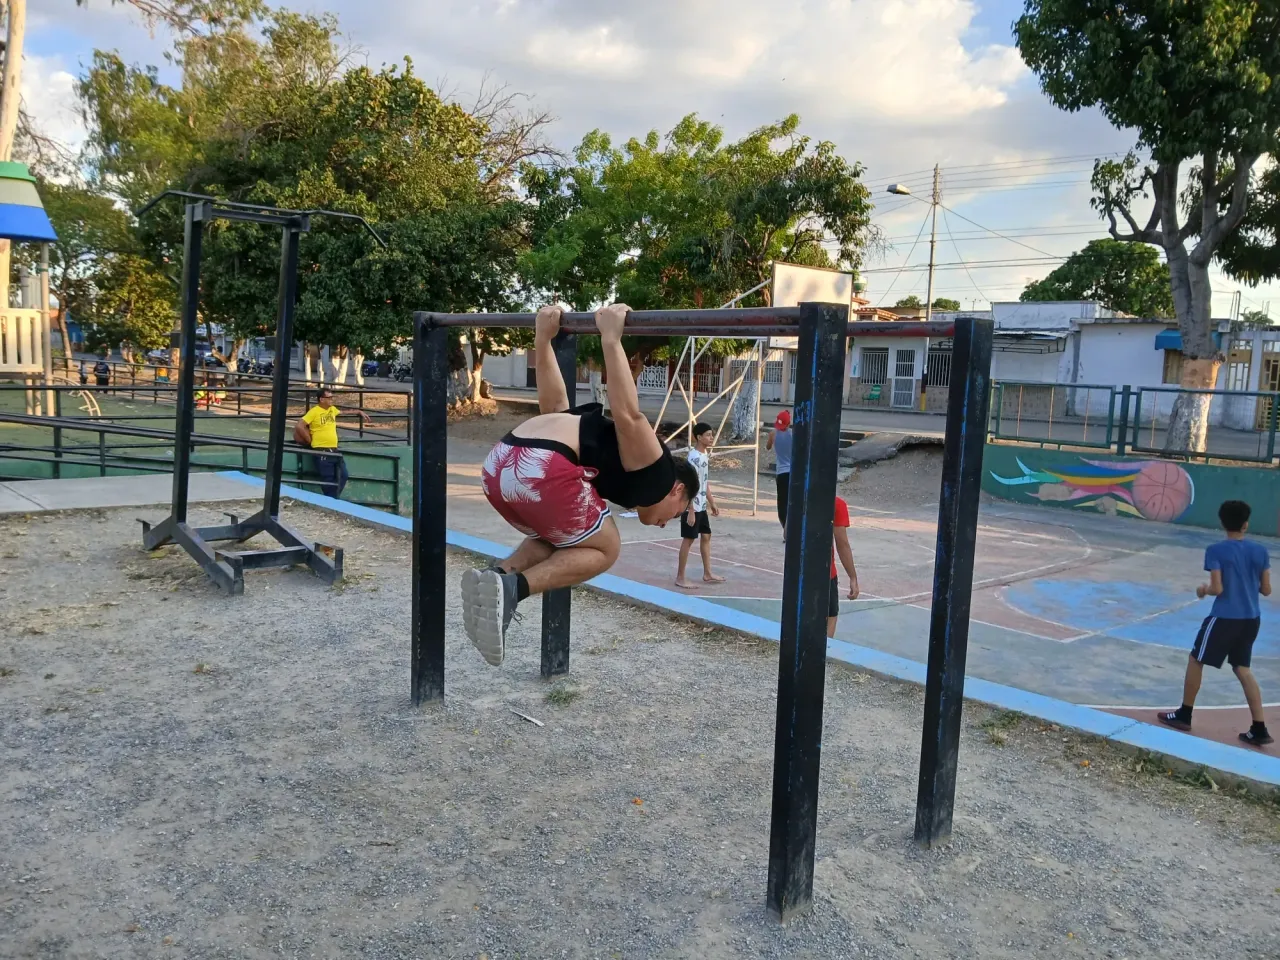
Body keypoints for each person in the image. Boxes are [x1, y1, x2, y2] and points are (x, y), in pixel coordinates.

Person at [464, 303, 699, 666]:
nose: (668, 521)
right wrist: (611, 338)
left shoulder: (604, 450)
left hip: (499, 466)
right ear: (678, 491)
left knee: (566, 537)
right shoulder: (659, 474)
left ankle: (499, 576)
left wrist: (542, 340)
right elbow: (628, 414)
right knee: (606, 548)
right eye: (678, 514)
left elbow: (555, 406)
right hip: (541, 469)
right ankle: (514, 590)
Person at [1158, 500, 1272, 747]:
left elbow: (1218, 588)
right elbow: (1266, 589)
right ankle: (1259, 728)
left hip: (1225, 617)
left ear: (1222, 523)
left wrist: (1203, 589)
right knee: (1242, 668)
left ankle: (1184, 714)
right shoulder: (1260, 552)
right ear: (1246, 524)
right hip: (1251, 619)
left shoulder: (1216, 550)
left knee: (1196, 659)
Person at [293, 387, 371, 498]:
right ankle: (331, 501)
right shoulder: (314, 411)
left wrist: (358, 411)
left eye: (332, 397)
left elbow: (343, 412)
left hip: (334, 450)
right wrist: (309, 440)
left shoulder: (332, 409)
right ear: (321, 399)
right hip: (321, 451)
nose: (331, 400)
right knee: (328, 480)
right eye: (329, 398)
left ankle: (332, 500)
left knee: (343, 475)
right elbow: (300, 425)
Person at [674, 422, 725, 589]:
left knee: (706, 536)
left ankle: (707, 573)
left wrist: (712, 503)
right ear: (698, 437)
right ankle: (680, 577)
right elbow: (689, 485)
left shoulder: (704, 456)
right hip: (692, 507)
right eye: (708, 435)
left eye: (711, 435)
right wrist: (690, 510)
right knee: (688, 540)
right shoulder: (693, 457)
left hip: (702, 506)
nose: (711, 438)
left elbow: (704, 482)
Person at [828, 494, 861, 637]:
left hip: (798, 571)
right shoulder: (836, 504)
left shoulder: (798, 497)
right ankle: (823, 654)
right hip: (826, 573)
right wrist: (853, 577)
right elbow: (842, 544)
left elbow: (787, 532)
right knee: (830, 616)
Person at [767, 410, 793, 533]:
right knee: (792, 501)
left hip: (781, 473)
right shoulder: (793, 434)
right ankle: (791, 529)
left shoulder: (773, 434)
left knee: (782, 502)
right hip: (793, 473)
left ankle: (785, 528)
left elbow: (767, 447)